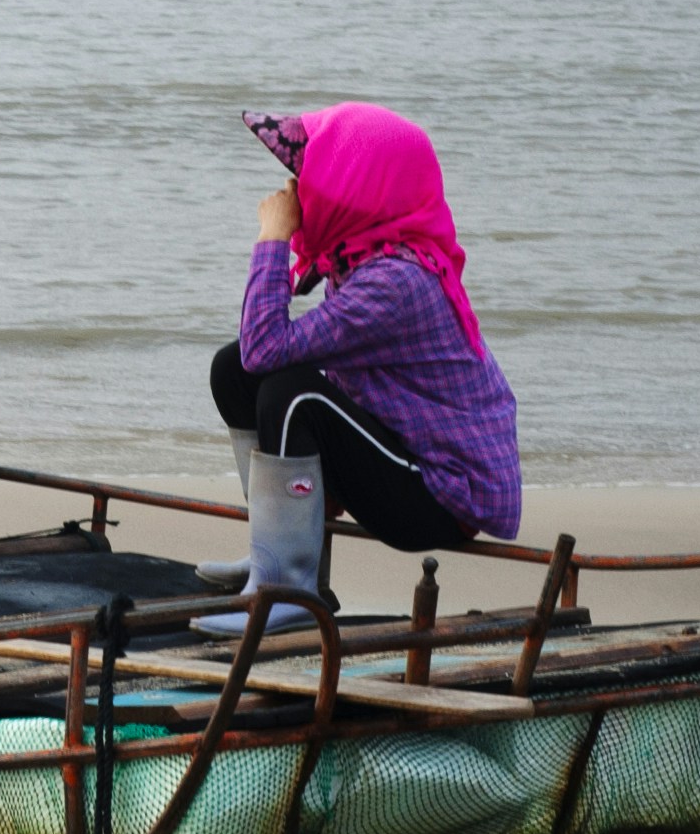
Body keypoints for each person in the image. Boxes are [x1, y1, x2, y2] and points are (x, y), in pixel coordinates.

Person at [200, 102, 522, 623]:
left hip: (440, 493)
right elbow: (256, 355)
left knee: (291, 392)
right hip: (403, 456)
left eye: (312, 180)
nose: (298, 193)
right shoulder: (362, 259)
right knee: (234, 370)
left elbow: (267, 345)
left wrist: (273, 238)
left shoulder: (394, 282)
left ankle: (286, 587)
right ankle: (276, 554)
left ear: (357, 187)